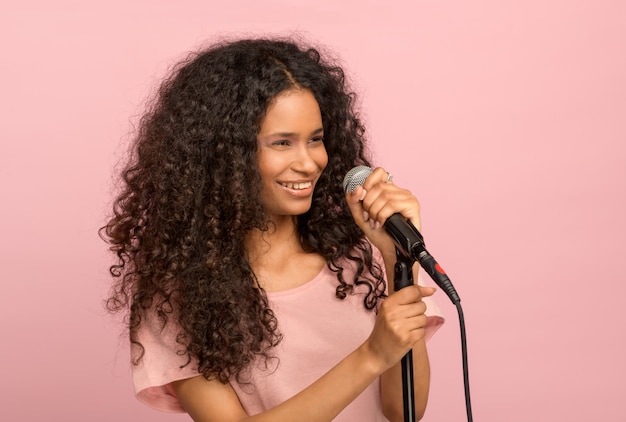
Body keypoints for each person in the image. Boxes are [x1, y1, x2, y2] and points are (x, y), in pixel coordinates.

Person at [102, 36, 444, 421]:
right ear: (226, 154)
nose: (309, 163)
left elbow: (404, 412)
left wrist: (400, 265)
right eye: (282, 143)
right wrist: (372, 355)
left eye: (316, 139)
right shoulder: (179, 296)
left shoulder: (364, 258)